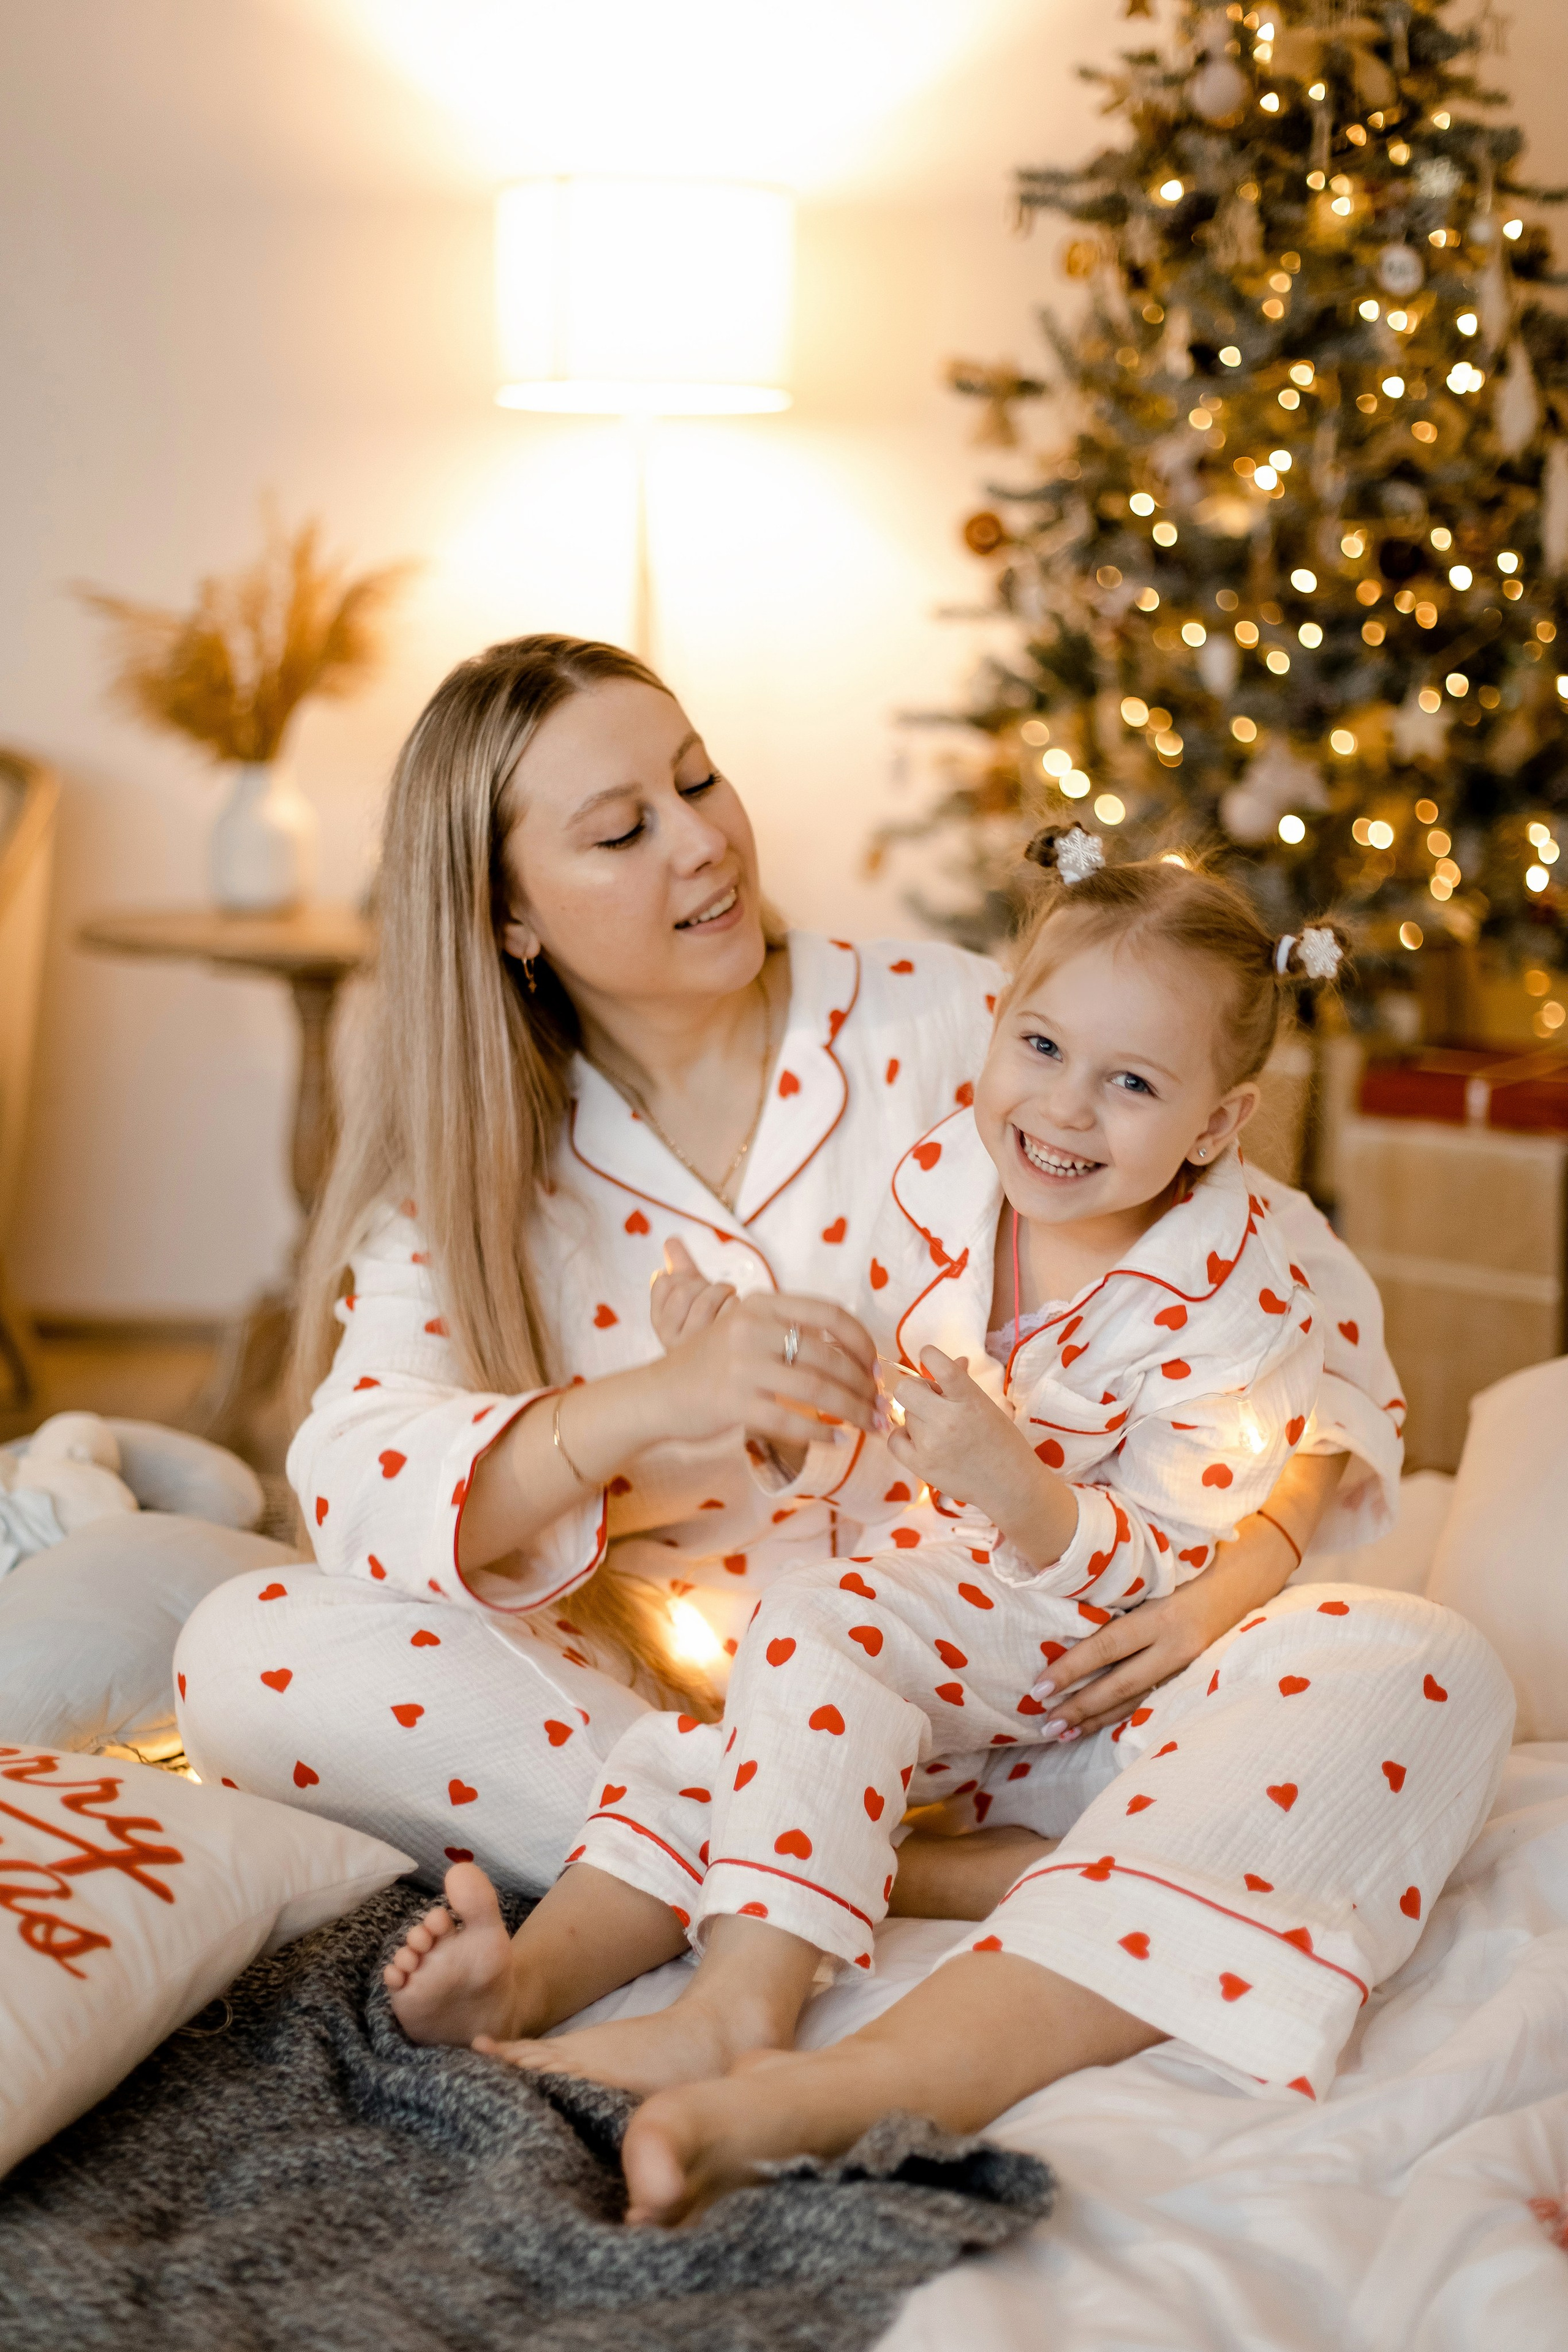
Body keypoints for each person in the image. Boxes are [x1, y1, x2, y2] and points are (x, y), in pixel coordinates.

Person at [174, 633, 1424, 1997]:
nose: (702, 842)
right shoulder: (476, 1176)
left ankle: (742, 1853)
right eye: (622, 831)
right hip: (659, 1707)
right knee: (247, 1656)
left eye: (698, 781)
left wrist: (1239, 1578)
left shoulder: (953, 1025)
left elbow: (1303, 1297)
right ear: (508, 916)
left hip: (1019, 1690)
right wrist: (661, 1400)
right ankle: (896, 1865)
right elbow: (355, 1482)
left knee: (1397, 1673)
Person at [380, 837, 1510, 2204]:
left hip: (1107, 1658)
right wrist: (752, 1384)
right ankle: (531, 1980)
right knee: (748, 1720)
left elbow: (1172, 1557)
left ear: (1217, 1126)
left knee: (1399, 1665)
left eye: (1132, 1084)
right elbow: (877, 1429)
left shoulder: (1239, 1301)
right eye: (1040, 1047)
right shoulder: (945, 1187)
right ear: (998, 1023)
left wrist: (1019, 1490)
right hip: (961, 1655)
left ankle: (751, 2017)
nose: (1065, 1107)